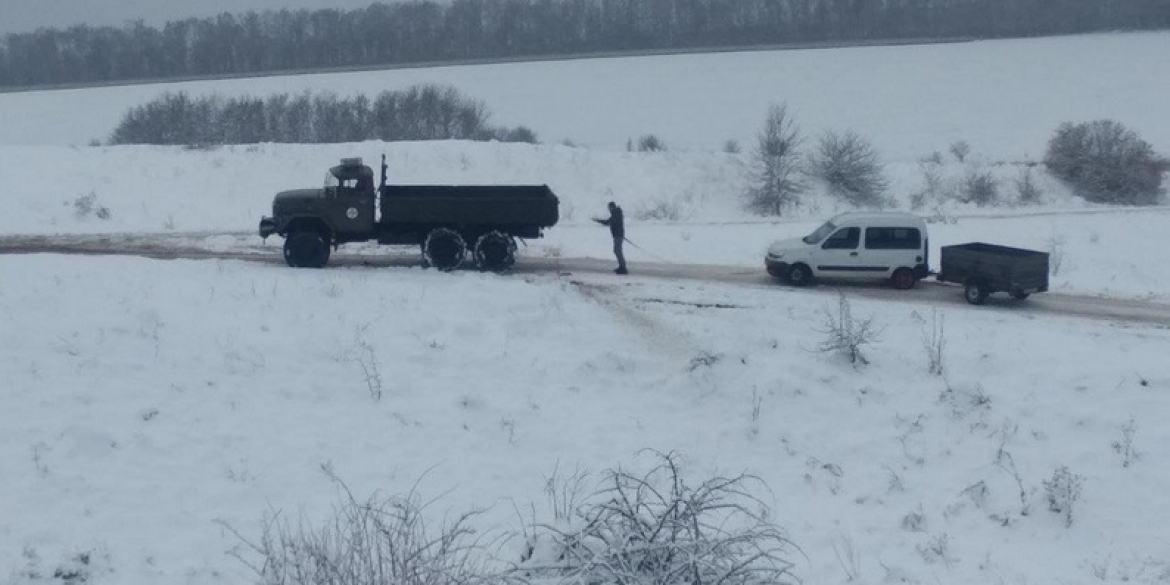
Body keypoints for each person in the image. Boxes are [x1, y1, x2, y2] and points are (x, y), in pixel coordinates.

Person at [593, 201, 627, 274]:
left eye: (609, 207)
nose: (608, 209)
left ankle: (623, 268)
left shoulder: (616, 214)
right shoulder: (616, 213)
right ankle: (621, 266)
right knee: (617, 251)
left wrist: (598, 221)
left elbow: (608, 222)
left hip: (618, 235)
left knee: (617, 251)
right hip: (618, 235)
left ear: (612, 207)